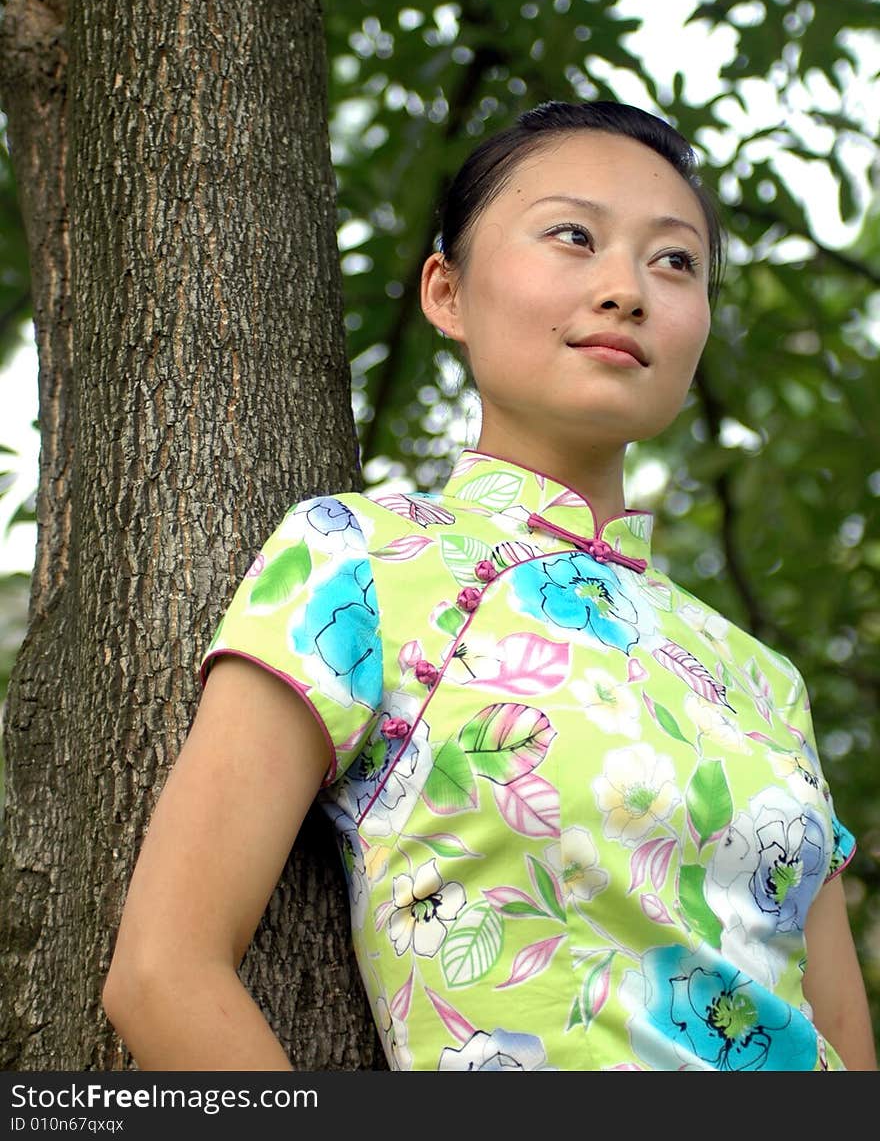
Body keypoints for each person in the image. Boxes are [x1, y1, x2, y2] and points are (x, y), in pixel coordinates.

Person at [102, 100, 877, 1072]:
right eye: (572, 235)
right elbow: (163, 971)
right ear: (446, 291)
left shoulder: (761, 678)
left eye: (674, 261)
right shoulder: (361, 557)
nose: (626, 289)